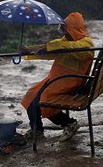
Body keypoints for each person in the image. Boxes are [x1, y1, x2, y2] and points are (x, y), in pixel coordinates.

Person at [19, 12, 95, 142]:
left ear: (75, 29)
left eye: (67, 30)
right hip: (56, 80)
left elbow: (66, 48)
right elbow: (53, 49)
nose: (65, 33)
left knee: (42, 100)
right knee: (31, 95)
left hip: (71, 81)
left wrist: (49, 47)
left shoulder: (86, 43)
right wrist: (29, 50)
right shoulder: (65, 41)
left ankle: (69, 123)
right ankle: (36, 130)